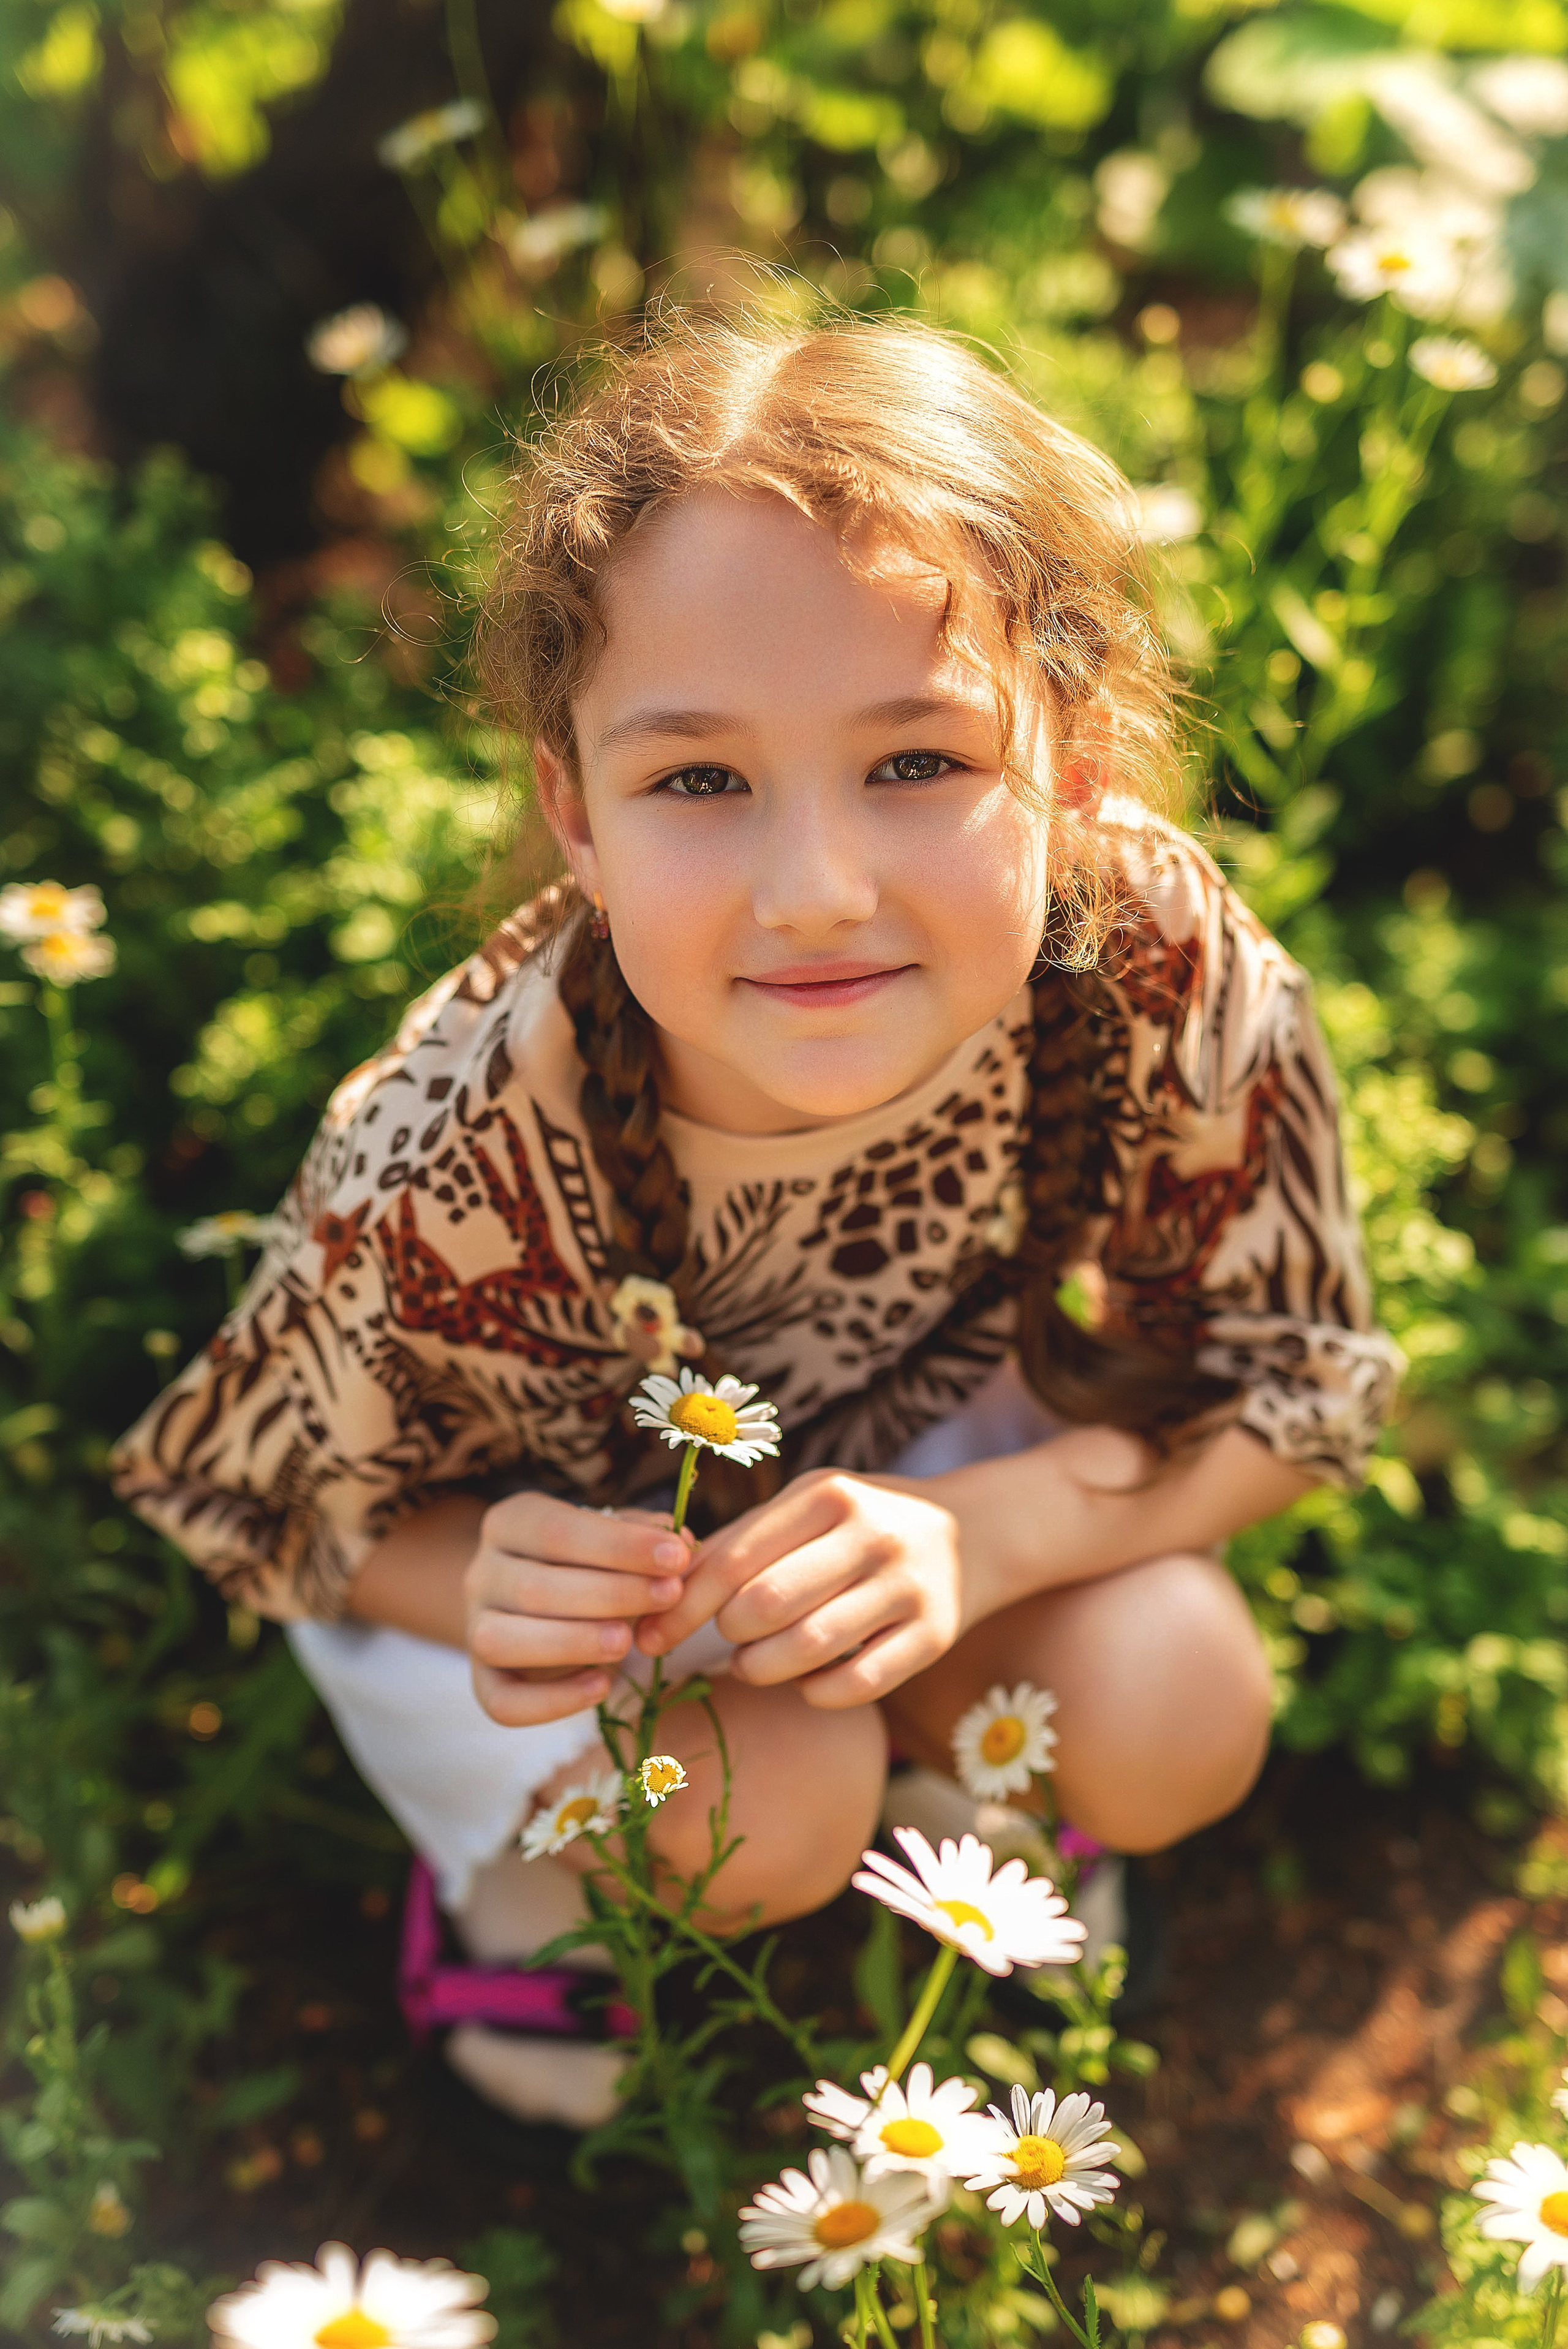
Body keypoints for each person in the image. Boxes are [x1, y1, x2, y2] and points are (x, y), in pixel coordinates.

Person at [113, 313, 1401, 2130]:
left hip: (941, 1474)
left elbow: (1305, 1381)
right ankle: (540, 1880)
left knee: (1177, 1681)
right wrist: (477, 1575)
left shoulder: (1157, 962)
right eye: (699, 780)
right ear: (574, 808)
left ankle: (971, 1794)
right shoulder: (462, 1140)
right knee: (766, 1804)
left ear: (1081, 752)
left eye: (920, 762)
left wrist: (989, 1530)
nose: (816, 892)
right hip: (580, 1587)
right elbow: (254, 1497)